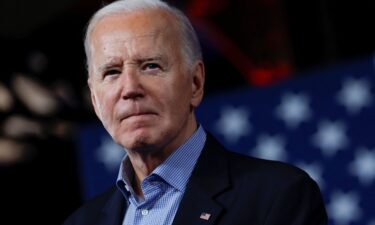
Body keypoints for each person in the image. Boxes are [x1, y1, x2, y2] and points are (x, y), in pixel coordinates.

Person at [64, 0, 328, 224]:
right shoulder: (80, 222)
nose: (130, 88)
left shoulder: (278, 196)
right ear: (96, 100)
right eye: (111, 72)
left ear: (195, 83)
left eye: (151, 66)